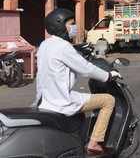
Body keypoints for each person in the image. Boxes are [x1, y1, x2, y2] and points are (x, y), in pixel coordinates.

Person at [34, 8, 122, 155]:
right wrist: (108, 76)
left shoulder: (45, 45)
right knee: (108, 100)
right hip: (62, 100)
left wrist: (78, 50)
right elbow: (86, 69)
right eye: (71, 24)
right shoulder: (63, 46)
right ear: (60, 25)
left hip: (45, 99)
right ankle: (94, 142)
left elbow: (64, 59)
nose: (74, 27)